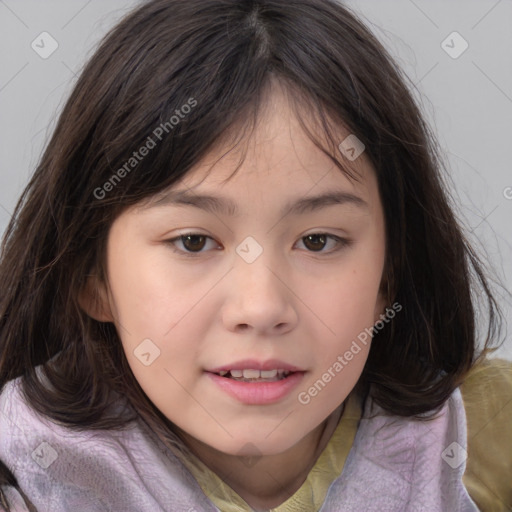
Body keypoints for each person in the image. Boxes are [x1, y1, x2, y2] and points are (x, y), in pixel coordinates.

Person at [0, 0, 510, 510]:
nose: (261, 308)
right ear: (92, 275)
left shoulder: (489, 441)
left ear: (389, 273)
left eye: (318, 241)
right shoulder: (26, 477)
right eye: (193, 241)